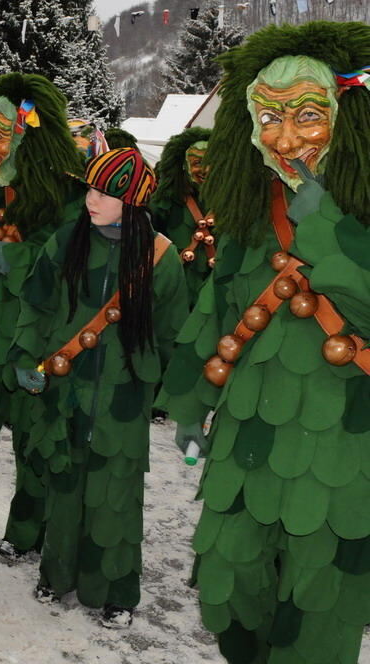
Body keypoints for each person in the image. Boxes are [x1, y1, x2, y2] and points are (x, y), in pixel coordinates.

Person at [157, 22, 370, 663]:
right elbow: (216, 309)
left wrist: (328, 222)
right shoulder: (253, 211)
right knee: (227, 584)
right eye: (267, 117)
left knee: (318, 600)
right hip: (247, 435)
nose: (285, 139)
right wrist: (191, 404)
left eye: (306, 115)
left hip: (343, 446)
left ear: (345, 111)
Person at [14, 148, 188, 628]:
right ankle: (57, 575)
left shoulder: (162, 256)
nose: (90, 199)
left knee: (116, 495)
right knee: (64, 485)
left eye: (103, 192)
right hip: (64, 387)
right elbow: (35, 303)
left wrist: (163, 393)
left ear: (130, 203)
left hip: (123, 397)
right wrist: (26, 359)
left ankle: (114, 591)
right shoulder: (67, 240)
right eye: (89, 188)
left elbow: (174, 332)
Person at [0, 73, 86, 555]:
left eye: (0, 134)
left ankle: (25, 535)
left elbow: (76, 269)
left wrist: (22, 260)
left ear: (32, 135)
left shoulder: (71, 200)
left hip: (37, 340)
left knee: (35, 442)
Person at [150, 126, 214, 302]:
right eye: (197, 163)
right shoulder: (164, 203)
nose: (206, 169)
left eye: (211, 161)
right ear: (183, 167)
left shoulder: (234, 201)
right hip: (176, 294)